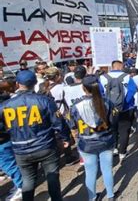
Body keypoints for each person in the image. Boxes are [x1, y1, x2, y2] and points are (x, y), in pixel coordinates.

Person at [0, 70, 71, 200]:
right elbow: (59, 122)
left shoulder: (5, 106)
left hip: (21, 150)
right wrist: (65, 138)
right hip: (45, 146)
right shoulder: (44, 100)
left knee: (28, 181)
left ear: (17, 84)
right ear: (34, 83)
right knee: (52, 177)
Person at [67, 75, 117, 201]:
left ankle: (92, 197)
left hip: (86, 143)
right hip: (105, 140)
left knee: (90, 172)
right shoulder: (107, 102)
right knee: (107, 169)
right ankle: (111, 195)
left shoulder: (75, 106)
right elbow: (113, 122)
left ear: (83, 88)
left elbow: (72, 126)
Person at [99, 60, 137, 160]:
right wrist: (124, 102)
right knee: (124, 130)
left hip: (109, 109)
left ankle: (114, 148)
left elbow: (100, 93)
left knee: (112, 128)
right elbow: (133, 90)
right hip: (126, 108)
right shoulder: (127, 77)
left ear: (112, 67)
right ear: (121, 66)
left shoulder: (103, 77)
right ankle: (122, 152)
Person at [0, 80, 23, 201]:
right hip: (10, 137)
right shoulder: (8, 101)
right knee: (13, 164)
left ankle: (21, 187)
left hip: (3, 140)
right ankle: (18, 185)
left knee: (9, 165)